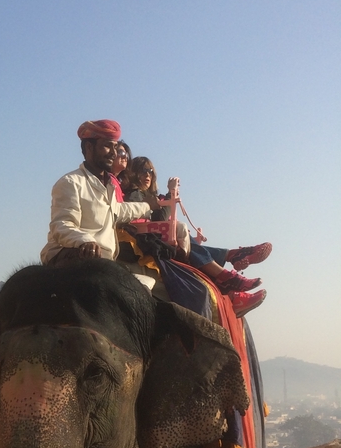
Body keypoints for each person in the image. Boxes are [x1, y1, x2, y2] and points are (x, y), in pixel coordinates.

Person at [123, 156, 271, 317]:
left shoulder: (152, 198)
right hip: (148, 241)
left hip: (161, 238)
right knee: (186, 239)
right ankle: (231, 260)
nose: (148, 175)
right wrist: (170, 195)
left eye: (151, 171)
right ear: (133, 173)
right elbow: (160, 220)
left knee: (188, 240)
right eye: (143, 170)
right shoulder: (135, 195)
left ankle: (232, 278)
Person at [40, 120, 152, 268]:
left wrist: (148, 206)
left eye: (115, 147)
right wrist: (85, 241)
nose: (113, 153)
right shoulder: (71, 182)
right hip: (72, 254)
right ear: (89, 147)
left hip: (104, 259)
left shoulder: (109, 186)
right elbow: (62, 225)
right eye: (107, 146)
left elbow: (119, 210)